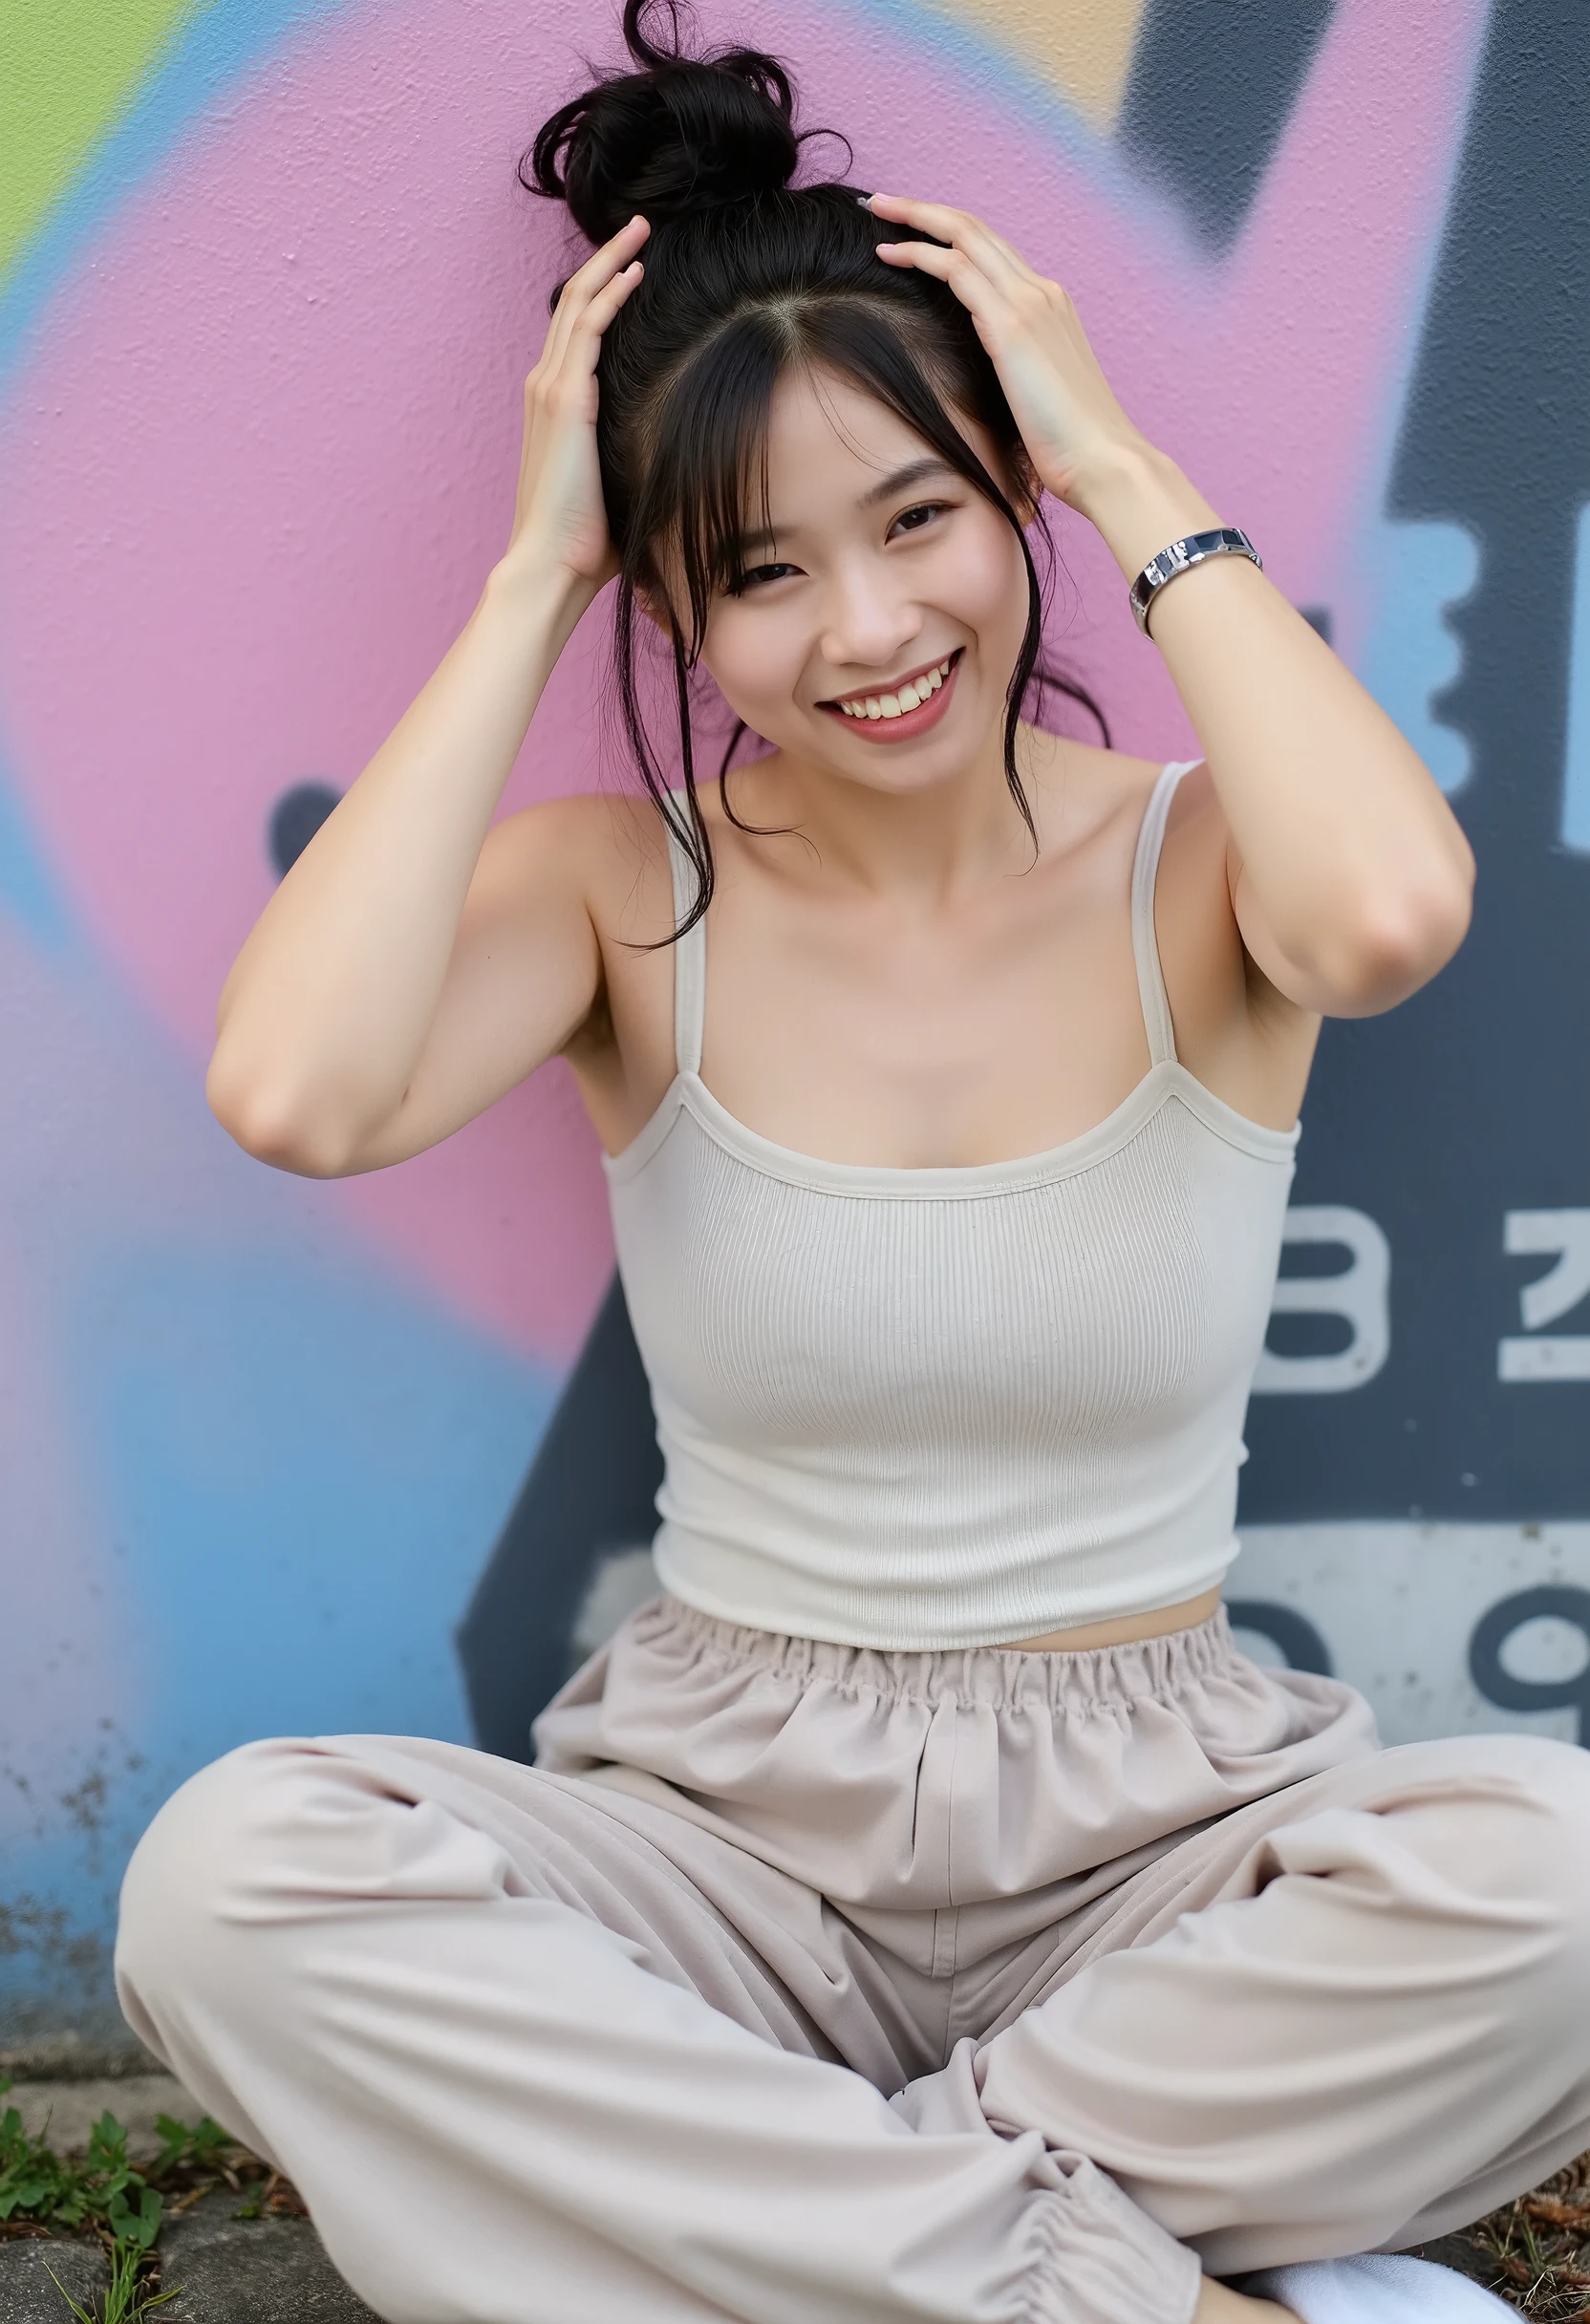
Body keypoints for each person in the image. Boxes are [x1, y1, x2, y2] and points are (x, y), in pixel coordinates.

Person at [114, 8, 1590, 2323]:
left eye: (921, 515)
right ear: (674, 610)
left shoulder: (1204, 863)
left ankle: (788, 2242)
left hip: (1165, 1870)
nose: (876, 628)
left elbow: (1393, 918)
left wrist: (1114, 452)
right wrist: (527, 587)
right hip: (723, 1872)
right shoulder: (625, 888)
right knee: (227, 1881)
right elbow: (299, 1092)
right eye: (762, 570)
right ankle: (1155, 2293)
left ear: (1011, 500)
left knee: (1571, 1877)